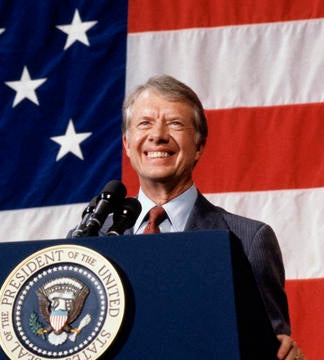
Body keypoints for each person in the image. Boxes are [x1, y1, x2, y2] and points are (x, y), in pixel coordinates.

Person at [118, 75, 305, 360]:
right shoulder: (91, 239)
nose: (157, 135)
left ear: (199, 147)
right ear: (127, 144)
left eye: (175, 123)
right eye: (144, 123)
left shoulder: (248, 240)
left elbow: (271, 349)